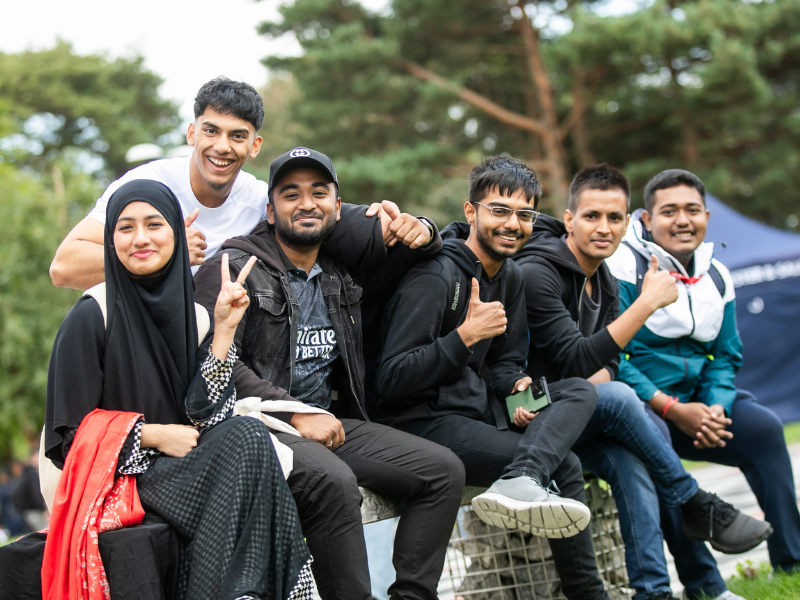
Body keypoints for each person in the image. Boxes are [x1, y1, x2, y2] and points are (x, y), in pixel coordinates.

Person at [193, 147, 465, 600]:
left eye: (319, 193)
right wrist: (295, 413)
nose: (306, 203)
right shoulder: (233, 268)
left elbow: (420, 252)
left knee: (444, 471)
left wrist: (425, 229)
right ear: (270, 209)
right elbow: (213, 360)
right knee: (334, 484)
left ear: (338, 208)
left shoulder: (340, 273)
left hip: (329, 421)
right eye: (291, 193)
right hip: (257, 428)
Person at [37, 179, 312, 600]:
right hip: (120, 481)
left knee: (249, 436)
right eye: (125, 228)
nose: (141, 238)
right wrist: (152, 434)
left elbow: (207, 416)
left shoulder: (195, 316)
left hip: (180, 469)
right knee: (246, 451)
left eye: (154, 225)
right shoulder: (93, 313)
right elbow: (68, 439)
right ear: (110, 242)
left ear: (176, 237)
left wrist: (223, 331)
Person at [514, 163, 771, 600]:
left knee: (632, 464)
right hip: (520, 410)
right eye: (592, 216)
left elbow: (609, 363)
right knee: (617, 395)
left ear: (628, 222)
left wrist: (599, 375)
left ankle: (655, 592)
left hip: (575, 414)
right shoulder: (539, 273)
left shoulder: (607, 282)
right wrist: (647, 304)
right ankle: (694, 502)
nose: (604, 228)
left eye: (615, 218)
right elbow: (577, 359)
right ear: (570, 219)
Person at [375, 155, 616, 600]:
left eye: (524, 215)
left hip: (476, 412)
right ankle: (589, 592)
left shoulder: (511, 277)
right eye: (499, 211)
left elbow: (505, 364)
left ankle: (522, 476)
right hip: (421, 422)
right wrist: (464, 337)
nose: (513, 224)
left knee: (580, 389)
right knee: (564, 464)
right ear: (471, 212)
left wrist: (516, 388)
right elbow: (390, 379)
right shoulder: (435, 275)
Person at [606, 168, 800, 585]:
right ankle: (702, 582)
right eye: (669, 210)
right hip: (647, 409)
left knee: (765, 429)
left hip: (700, 406)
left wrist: (714, 407)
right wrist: (674, 409)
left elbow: (726, 355)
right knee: (654, 445)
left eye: (692, 210)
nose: (682, 220)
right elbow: (613, 357)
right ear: (646, 220)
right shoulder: (621, 267)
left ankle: (792, 562)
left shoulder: (718, 274)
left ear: (707, 218)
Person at [50, 76, 267, 289]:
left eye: (237, 136)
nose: (222, 146)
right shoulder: (143, 184)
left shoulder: (262, 201)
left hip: (218, 322)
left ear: (254, 146)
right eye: (211, 131)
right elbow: (63, 267)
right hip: (141, 323)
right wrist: (169, 252)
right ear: (192, 134)